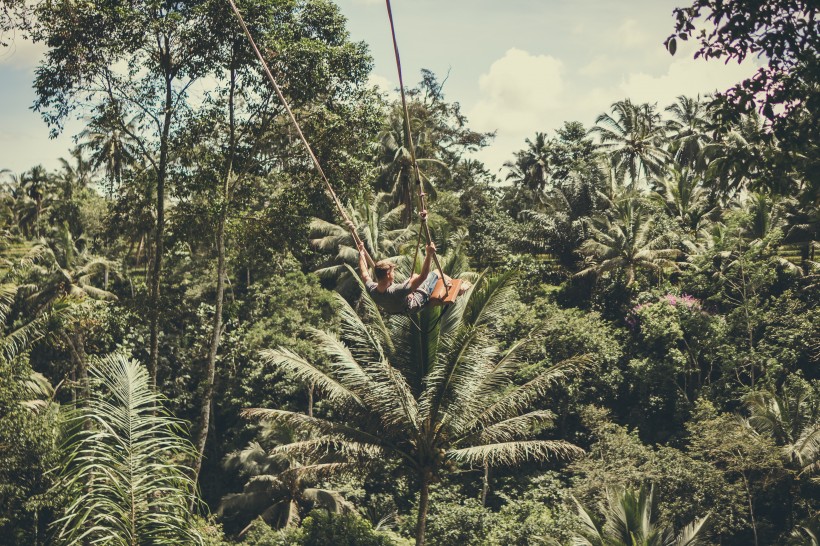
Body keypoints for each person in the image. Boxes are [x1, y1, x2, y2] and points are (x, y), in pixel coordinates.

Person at [356, 240, 465, 314]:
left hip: (398, 308)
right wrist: (429, 254)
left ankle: (448, 286)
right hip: (417, 303)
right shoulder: (396, 291)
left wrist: (361, 253)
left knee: (414, 276)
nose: (394, 274)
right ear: (388, 274)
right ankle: (456, 289)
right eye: (393, 272)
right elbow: (423, 276)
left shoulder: (372, 289)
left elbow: (364, 273)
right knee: (436, 272)